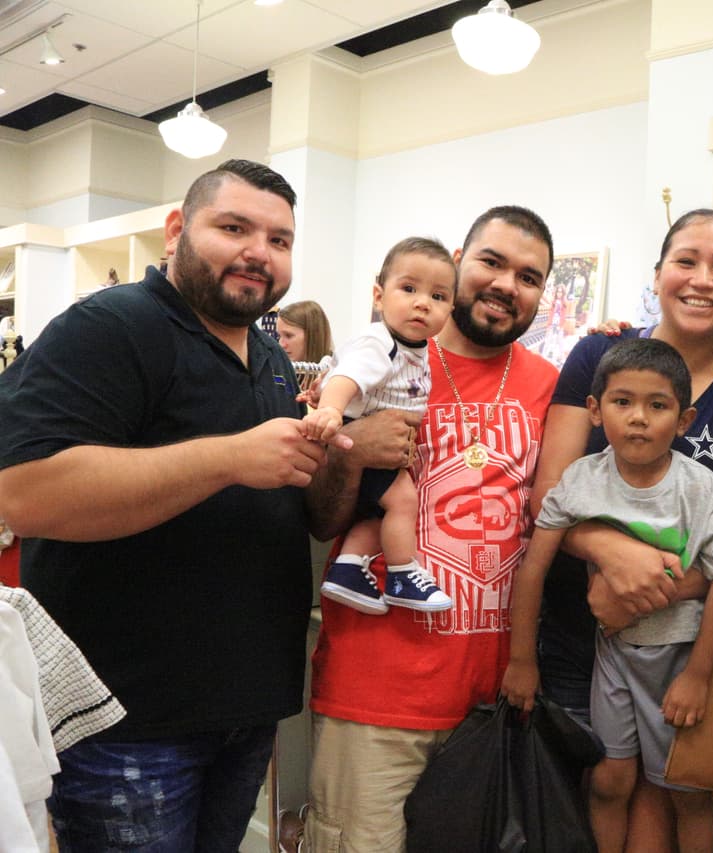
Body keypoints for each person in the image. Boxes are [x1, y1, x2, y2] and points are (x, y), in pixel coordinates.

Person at [0, 159, 414, 849]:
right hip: (126, 724)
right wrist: (228, 457)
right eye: (234, 227)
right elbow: (24, 491)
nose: (260, 251)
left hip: (245, 709)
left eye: (280, 240)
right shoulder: (110, 326)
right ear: (176, 229)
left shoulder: (270, 356)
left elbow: (314, 516)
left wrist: (346, 452)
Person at [304, 205, 560, 851]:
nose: (507, 284)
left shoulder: (548, 386)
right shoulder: (378, 362)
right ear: (459, 261)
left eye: (529, 276)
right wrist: (352, 446)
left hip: (487, 701)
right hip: (375, 693)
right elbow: (322, 518)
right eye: (492, 262)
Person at [533, 208, 713, 850]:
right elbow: (550, 492)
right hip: (581, 633)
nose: (703, 279)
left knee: (674, 788)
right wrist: (609, 555)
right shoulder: (598, 352)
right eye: (686, 260)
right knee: (597, 788)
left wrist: (655, 587)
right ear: (657, 274)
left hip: (683, 637)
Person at [502, 337, 713, 852]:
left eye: (657, 405)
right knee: (610, 779)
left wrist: (699, 676)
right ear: (594, 410)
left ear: (684, 420)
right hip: (612, 657)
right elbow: (533, 570)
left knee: (687, 789)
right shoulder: (578, 481)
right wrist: (521, 660)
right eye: (622, 402)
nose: (639, 417)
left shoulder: (701, 489)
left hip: (680, 659)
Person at [306, 238, 457, 615]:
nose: (423, 302)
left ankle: (347, 567)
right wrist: (330, 408)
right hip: (368, 439)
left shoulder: (413, 347)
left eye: (438, 296)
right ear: (379, 295)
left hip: (384, 441)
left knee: (378, 515)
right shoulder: (381, 343)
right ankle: (403, 573)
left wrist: (323, 392)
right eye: (408, 289)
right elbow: (349, 377)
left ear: (451, 308)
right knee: (404, 502)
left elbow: (340, 370)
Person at [278, 299, 334, 363]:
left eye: (288, 336)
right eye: (279, 336)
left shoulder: (339, 370)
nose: (281, 345)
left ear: (313, 335)